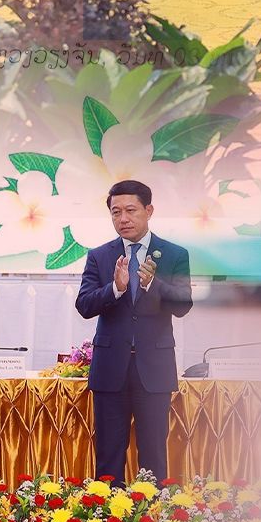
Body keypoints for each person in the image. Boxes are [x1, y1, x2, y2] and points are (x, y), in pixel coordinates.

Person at [73, 180, 194, 481]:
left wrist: (153, 284)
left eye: (130, 210)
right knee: (108, 454)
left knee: (153, 453)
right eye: (116, 212)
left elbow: (183, 305)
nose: (123, 219)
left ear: (148, 211)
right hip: (110, 369)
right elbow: (84, 305)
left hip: (154, 369)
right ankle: (105, 509)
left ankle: (152, 509)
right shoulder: (100, 256)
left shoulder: (175, 254)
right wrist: (115, 288)